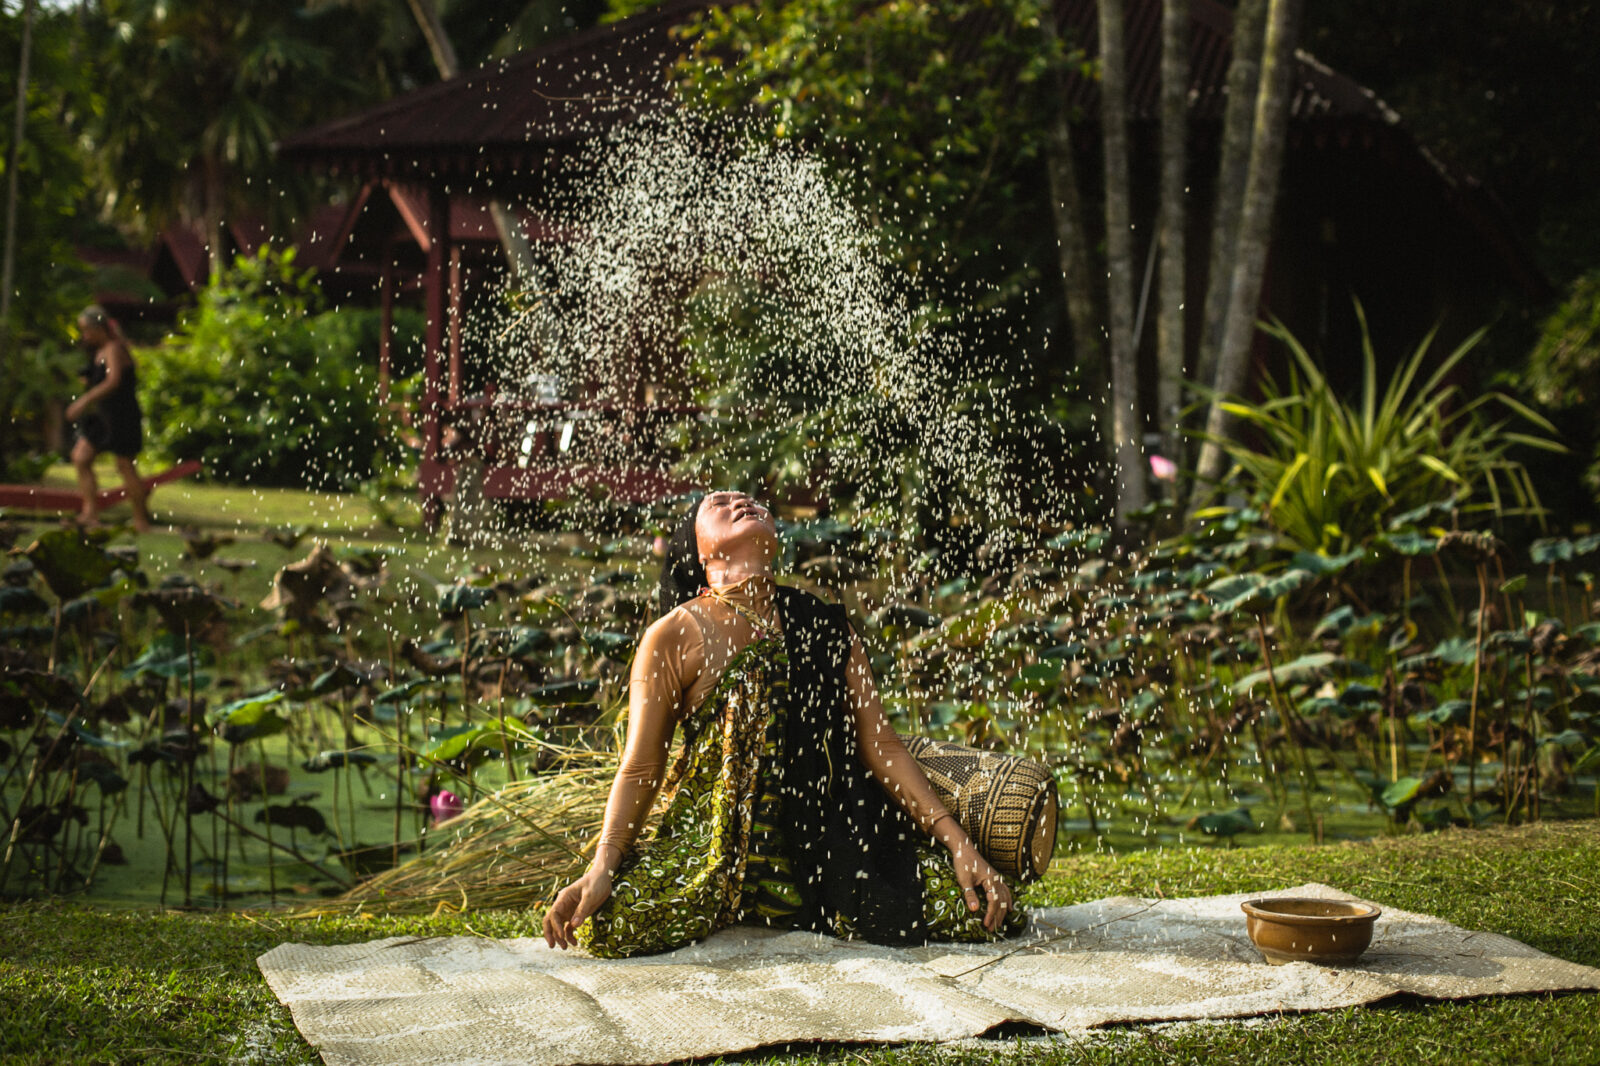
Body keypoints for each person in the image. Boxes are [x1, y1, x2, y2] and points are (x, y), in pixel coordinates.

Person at [542, 490, 1019, 957]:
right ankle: (739, 899)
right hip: (712, 854)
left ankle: (795, 899)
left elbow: (882, 745)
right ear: (697, 547)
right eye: (719, 504)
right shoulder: (673, 634)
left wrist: (958, 844)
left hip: (828, 847)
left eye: (749, 500)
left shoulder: (826, 627)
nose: (741, 503)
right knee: (609, 926)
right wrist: (603, 864)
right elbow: (641, 766)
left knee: (982, 910)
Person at [64, 305, 152, 532]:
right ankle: (90, 513)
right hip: (102, 416)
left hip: (121, 415)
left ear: (99, 328)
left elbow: (113, 382)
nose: (85, 336)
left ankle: (141, 520)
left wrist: (83, 401)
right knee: (81, 457)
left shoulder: (114, 348)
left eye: (87, 330)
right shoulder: (97, 352)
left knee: (125, 465)